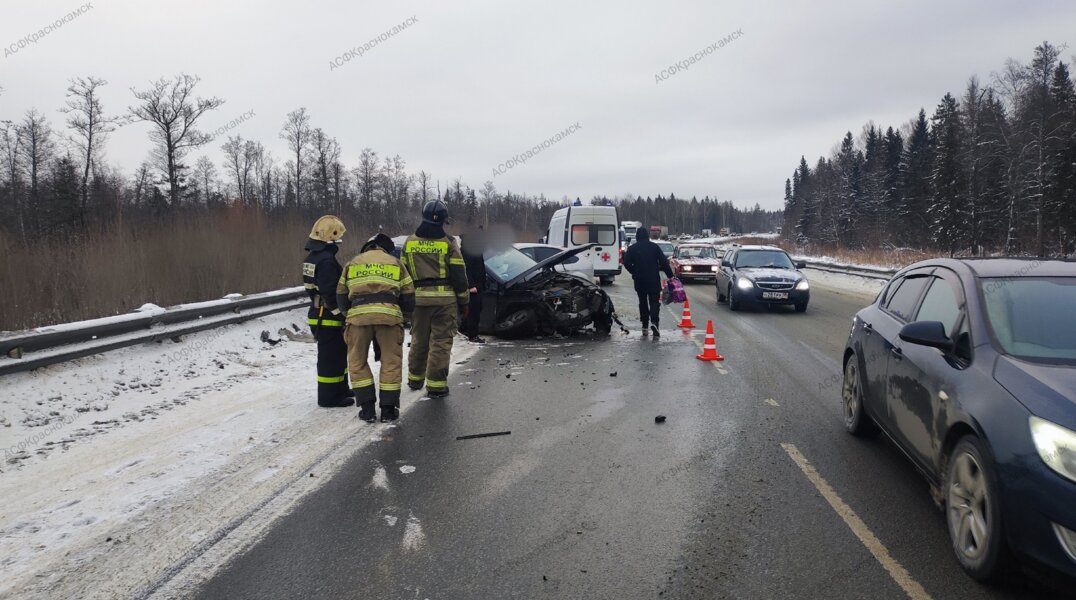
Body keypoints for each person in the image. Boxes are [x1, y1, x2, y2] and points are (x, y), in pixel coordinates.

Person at [337, 233, 415, 423]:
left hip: (358, 320)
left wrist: (350, 315)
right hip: (389, 318)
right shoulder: (395, 263)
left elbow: (340, 295)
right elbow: (409, 296)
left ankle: (367, 409)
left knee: (357, 362)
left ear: (367, 248)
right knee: (391, 363)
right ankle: (388, 411)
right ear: (384, 249)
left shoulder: (353, 263)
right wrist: (402, 317)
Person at [401, 200, 470, 398]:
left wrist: (405, 300)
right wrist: (464, 301)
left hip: (418, 301)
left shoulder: (410, 242)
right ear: (443, 220)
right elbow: (459, 275)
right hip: (444, 302)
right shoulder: (448, 243)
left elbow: (403, 273)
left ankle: (415, 380)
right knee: (440, 342)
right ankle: (436, 385)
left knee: (419, 340)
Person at [302, 215, 354, 407]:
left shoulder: (313, 258)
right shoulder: (326, 261)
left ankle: (340, 389)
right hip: (327, 317)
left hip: (319, 313)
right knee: (330, 359)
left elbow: (312, 289)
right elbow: (330, 293)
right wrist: (341, 314)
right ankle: (329, 397)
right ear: (329, 239)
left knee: (338, 354)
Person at [622, 227, 673, 337]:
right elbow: (664, 263)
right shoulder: (654, 247)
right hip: (653, 279)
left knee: (643, 302)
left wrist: (634, 272)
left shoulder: (632, 249)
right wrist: (671, 276)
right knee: (654, 301)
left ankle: (645, 326)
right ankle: (654, 322)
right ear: (647, 236)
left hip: (639, 280)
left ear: (637, 236)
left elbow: (626, 263)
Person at [459, 231, 487, 343]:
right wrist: (471, 285)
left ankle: (464, 330)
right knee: (473, 312)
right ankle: (472, 335)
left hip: (478, 286)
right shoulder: (467, 251)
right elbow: (466, 269)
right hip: (473, 288)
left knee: (474, 310)